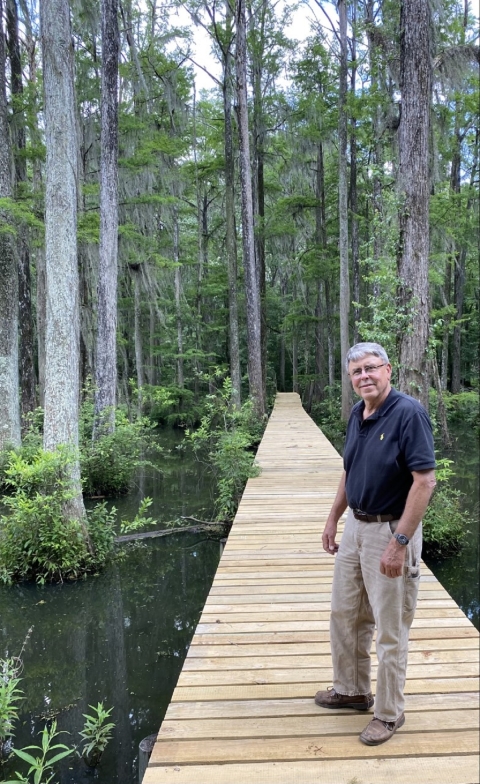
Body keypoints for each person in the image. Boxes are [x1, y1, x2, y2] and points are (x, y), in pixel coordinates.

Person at [314, 342, 436, 746]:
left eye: (370, 368)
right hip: (355, 527)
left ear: (387, 369)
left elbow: (424, 481)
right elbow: (349, 470)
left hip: (390, 531)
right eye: (356, 372)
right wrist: (334, 518)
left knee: (390, 628)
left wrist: (399, 542)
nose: (363, 376)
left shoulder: (408, 414)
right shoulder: (358, 413)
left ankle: (388, 713)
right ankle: (351, 690)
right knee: (345, 614)